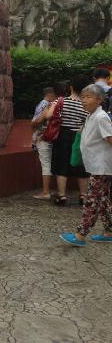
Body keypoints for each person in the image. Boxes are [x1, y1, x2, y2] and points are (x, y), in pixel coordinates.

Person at [60, 84, 112, 246]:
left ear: (99, 100)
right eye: (83, 97)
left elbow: (110, 138)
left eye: (88, 97)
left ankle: (80, 235)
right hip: (96, 166)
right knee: (103, 201)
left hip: (102, 167)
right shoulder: (91, 116)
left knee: (92, 200)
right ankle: (109, 232)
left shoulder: (101, 117)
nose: (84, 100)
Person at [45, 74, 91, 206]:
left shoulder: (61, 101)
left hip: (62, 136)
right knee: (81, 166)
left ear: (70, 87)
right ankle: (83, 196)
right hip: (79, 136)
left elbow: (48, 115)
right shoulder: (86, 105)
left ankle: (62, 196)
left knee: (62, 164)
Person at [31, 87, 56, 200]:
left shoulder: (45, 104)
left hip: (43, 138)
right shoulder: (46, 104)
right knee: (48, 163)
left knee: (46, 164)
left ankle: (46, 192)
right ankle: (48, 191)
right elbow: (37, 121)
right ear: (50, 94)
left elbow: (35, 122)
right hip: (48, 137)